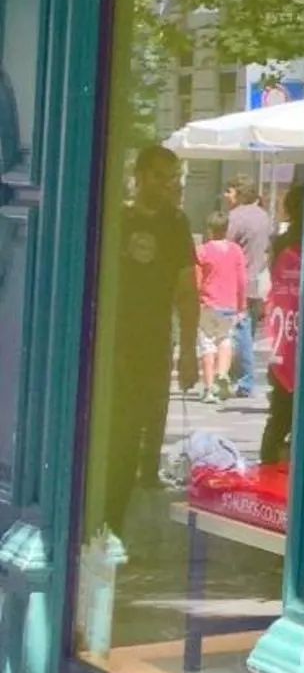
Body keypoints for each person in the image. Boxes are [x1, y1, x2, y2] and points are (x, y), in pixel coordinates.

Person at [87, 143, 197, 544]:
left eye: (172, 178)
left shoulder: (177, 224)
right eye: (159, 176)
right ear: (139, 175)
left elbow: (187, 289)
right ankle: (94, 523)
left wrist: (188, 350)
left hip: (151, 346)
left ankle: (110, 527)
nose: (167, 185)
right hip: (107, 345)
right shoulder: (115, 218)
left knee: (133, 437)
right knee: (104, 432)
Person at [259, 182, 304, 469]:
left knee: (279, 410)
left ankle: (268, 464)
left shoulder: (280, 244)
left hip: (283, 337)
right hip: (301, 336)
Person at [225, 179, 272, 397]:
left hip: (239, 280)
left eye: (229, 191)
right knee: (248, 331)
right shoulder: (264, 216)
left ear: (238, 193)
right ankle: (238, 374)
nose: (226, 195)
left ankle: (245, 380)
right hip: (259, 279)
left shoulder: (236, 217)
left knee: (240, 331)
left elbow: (225, 245)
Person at [193, 215, 247, 399]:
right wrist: (242, 305)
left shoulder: (202, 251)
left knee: (207, 344)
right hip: (229, 304)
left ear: (209, 229)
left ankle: (208, 389)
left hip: (207, 304)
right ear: (227, 229)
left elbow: (197, 280)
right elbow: (241, 281)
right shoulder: (236, 251)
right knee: (225, 340)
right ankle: (222, 374)